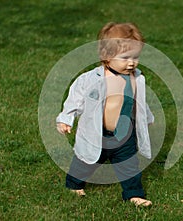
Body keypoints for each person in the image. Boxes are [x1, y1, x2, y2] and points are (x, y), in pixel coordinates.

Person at [56, 22, 154, 206]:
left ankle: (134, 194)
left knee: (129, 166)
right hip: (97, 135)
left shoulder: (137, 79)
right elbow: (75, 99)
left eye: (136, 57)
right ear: (106, 56)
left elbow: (140, 103)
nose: (132, 62)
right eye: (125, 57)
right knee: (86, 160)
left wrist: (146, 118)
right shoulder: (91, 79)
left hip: (125, 134)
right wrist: (66, 119)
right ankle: (74, 184)